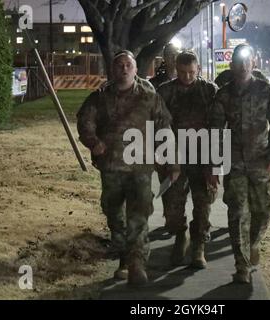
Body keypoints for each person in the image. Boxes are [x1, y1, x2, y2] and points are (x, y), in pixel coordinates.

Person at [76, 50, 179, 286]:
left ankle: (137, 264)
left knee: (139, 214)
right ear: (113, 69)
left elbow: (164, 128)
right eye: (120, 65)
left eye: (128, 65)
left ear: (135, 69)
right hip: (111, 166)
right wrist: (93, 143)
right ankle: (123, 256)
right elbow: (84, 120)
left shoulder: (149, 96)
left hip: (140, 167)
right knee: (114, 213)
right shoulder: (101, 96)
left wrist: (171, 162)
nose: (124, 69)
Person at [209, 44, 270, 283]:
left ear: (253, 63)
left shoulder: (265, 90)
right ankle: (241, 265)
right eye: (237, 62)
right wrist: (214, 166)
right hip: (234, 164)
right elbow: (214, 132)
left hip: (261, 161)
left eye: (246, 61)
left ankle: (253, 243)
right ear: (231, 65)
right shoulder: (222, 94)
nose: (242, 66)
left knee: (263, 211)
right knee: (237, 213)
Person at [157, 50, 218, 269]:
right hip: (175, 157)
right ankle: (180, 236)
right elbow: (159, 127)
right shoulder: (165, 91)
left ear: (198, 69)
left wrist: (215, 164)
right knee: (172, 206)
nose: (187, 77)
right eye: (182, 72)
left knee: (203, 205)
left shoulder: (209, 90)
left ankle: (199, 247)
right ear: (176, 69)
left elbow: (219, 126)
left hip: (203, 157)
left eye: (191, 72)